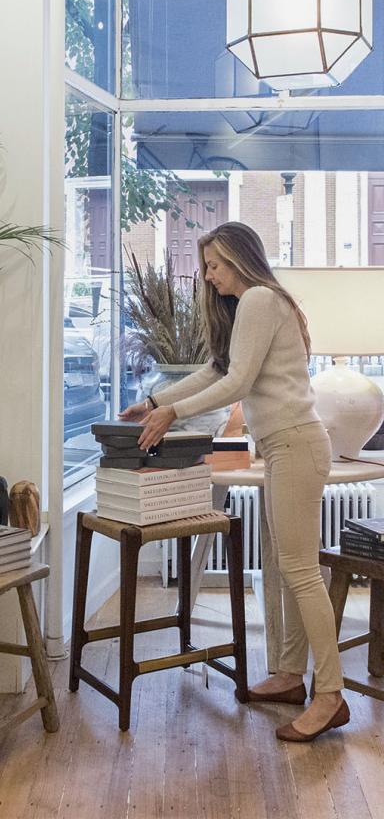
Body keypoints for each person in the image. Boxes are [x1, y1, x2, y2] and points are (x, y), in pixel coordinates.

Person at [119, 221, 349, 743]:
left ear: (240, 259)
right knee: (287, 568)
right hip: (283, 445)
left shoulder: (261, 300)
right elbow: (217, 368)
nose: (208, 275)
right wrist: (156, 402)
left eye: (215, 265)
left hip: (294, 442)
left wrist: (171, 413)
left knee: (299, 569)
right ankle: (291, 676)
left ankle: (330, 695)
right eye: (206, 266)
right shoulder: (254, 305)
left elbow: (237, 384)